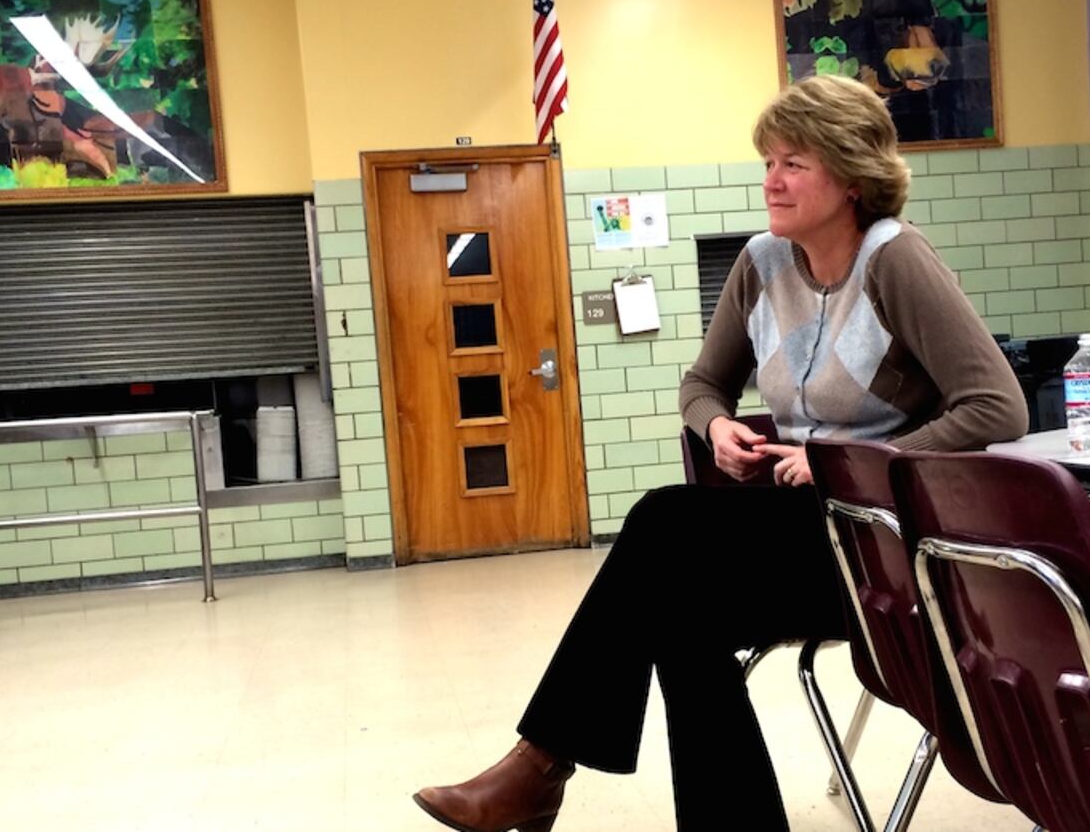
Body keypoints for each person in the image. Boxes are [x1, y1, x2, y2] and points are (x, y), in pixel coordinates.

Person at [413, 74, 1027, 832]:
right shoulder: (762, 263)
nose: (771, 179)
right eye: (768, 160)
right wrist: (716, 427)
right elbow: (703, 383)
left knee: (662, 523)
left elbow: (997, 404)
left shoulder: (896, 262)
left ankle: (539, 769)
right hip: (797, 529)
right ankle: (552, 775)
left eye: (794, 162)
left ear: (853, 175)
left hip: (879, 543)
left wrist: (854, 463)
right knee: (678, 617)